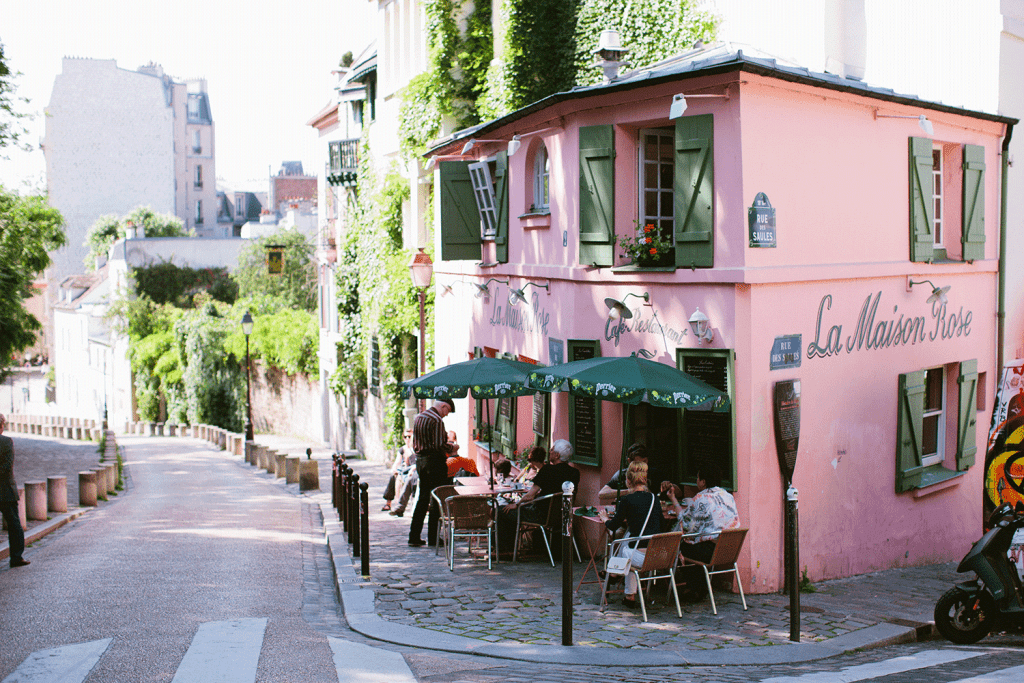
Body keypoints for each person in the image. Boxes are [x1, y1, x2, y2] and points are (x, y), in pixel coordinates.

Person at [500, 440, 580, 552]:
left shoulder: (547, 470)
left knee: (503, 510)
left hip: (541, 515)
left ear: (557, 455)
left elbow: (529, 496)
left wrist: (516, 504)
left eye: (552, 450)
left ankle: (506, 550)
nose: (549, 451)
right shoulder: (575, 473)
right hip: (562, 515)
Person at [602, 461, 660, 608]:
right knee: (628, 538)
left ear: (628, 481)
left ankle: (616, 575)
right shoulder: (654, 498)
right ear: (645, 480)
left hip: (640, 558)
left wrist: (604, 519)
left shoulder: (627, 500)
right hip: (658, 556)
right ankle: (628, 595)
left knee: (626, 549)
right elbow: (662, 523)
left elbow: (614, 526)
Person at [665, 463, 739, 563]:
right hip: (728, 551)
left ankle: (676, 576)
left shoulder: (701, 499)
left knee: (677, 544)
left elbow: (685, 527)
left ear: (703, 482)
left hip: (709, 552)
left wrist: (672, 498)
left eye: (698, 478)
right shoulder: (727, 496)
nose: (696, 481)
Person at [408, 399, 456, 548]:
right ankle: (434, 537)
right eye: (447, 411)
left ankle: (414, 536)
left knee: (423, 498)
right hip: (434, 462)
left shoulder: (419, 418)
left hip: (420, 461)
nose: (446, 415)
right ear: (442, 406)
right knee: (436, 498)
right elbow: (438, 445)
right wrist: (452, 447)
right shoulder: (436, 420)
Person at [598, 443, 671, 504]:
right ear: (630, 461)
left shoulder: (654, 473)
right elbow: (602, 494)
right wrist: (629, 491)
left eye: (644, 461)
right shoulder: (622, 474)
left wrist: (669, 485)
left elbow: (679, 492)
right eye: (638, 463)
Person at [0, 414, 29, 568]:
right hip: (5, 489)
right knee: (14, 525)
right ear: (1, 426)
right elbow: (7, 466)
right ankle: (16, 557)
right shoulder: (6, 442)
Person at [382, 429, 416, 514]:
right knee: (393, 476)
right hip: (404, 469)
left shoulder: (415, 449)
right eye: (405, 437)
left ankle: (399, 504)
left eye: (409, 437)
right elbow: (397, 462)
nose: (407, 439)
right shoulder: (402, 449)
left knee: (401, 477)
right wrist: (394, 469)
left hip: (411, 470)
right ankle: (389, 502)